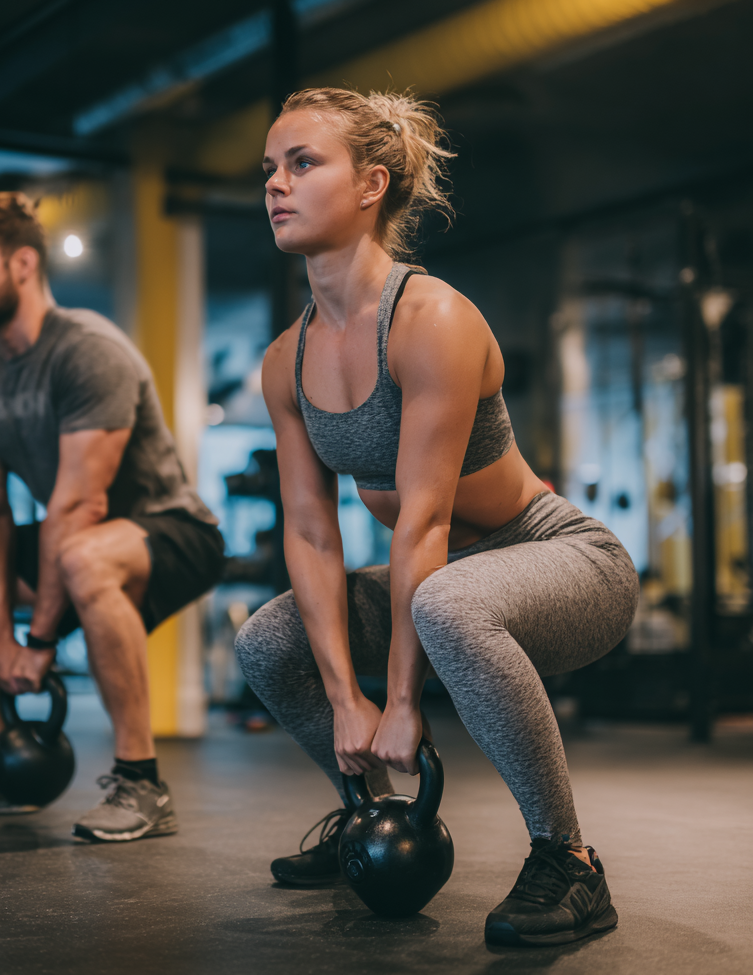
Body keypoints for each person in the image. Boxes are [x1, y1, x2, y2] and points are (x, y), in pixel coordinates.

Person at [234, 89, 638, 946]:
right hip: (451, 579)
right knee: (267, 639)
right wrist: (348, 699)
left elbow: (421, 524)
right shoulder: (286, 361)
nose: (276, 183)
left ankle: (569, 861)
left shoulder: (432, 321)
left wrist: (404, 700)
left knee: (443, 601)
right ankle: (365, 818)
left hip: (564, 562)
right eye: (269, 168)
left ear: (372, 183)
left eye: (302, 163)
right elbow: (310, 532)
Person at [0, 192, 225, 841]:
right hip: (77, 537)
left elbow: (82, 505)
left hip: (173, 532)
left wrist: (41, 642)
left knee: (85, 555)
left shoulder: (86, 350)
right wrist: (1, 633)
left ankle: (142, 783)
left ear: (23, 263)